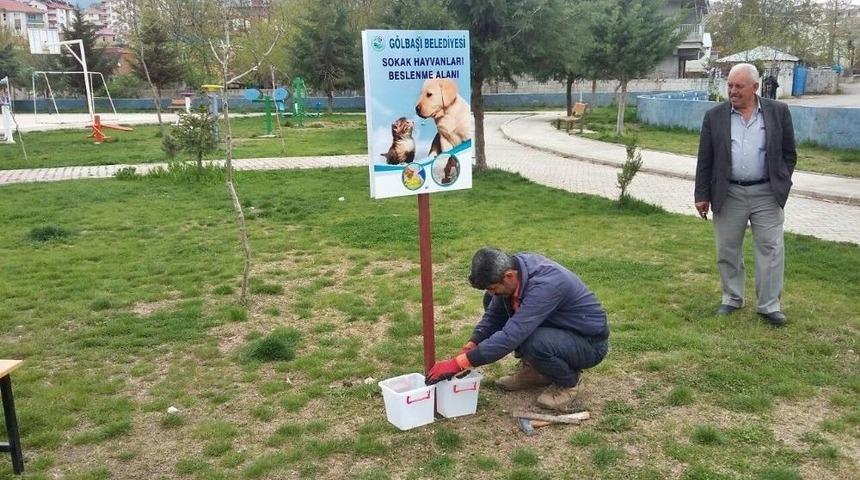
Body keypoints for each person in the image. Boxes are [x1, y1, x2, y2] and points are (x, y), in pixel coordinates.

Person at [426, 247, 609, 411]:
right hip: (559, 329)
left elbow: (511, 336)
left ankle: (570, 384)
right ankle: (537, 371)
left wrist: (458, 364)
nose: (491, 292)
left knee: (533, 342)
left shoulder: (546, 286)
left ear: (509, 276)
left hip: (589, 343)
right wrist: (472, 346)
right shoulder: (515, 269)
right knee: (492, 302)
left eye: (492, 287)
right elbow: (494, 317)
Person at [694, 63, 796, 327]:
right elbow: (705, 159)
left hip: (766, 193)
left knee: (771, 249)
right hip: (728, 193)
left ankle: (769, 305)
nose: (732, 91)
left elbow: (789, 153)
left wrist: (782, 180)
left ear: (755, 87)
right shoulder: (714, 116)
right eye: (729, 85)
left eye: (738, 86)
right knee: (727, 248)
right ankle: (732, 297)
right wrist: (702, 194)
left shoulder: (778, 112)